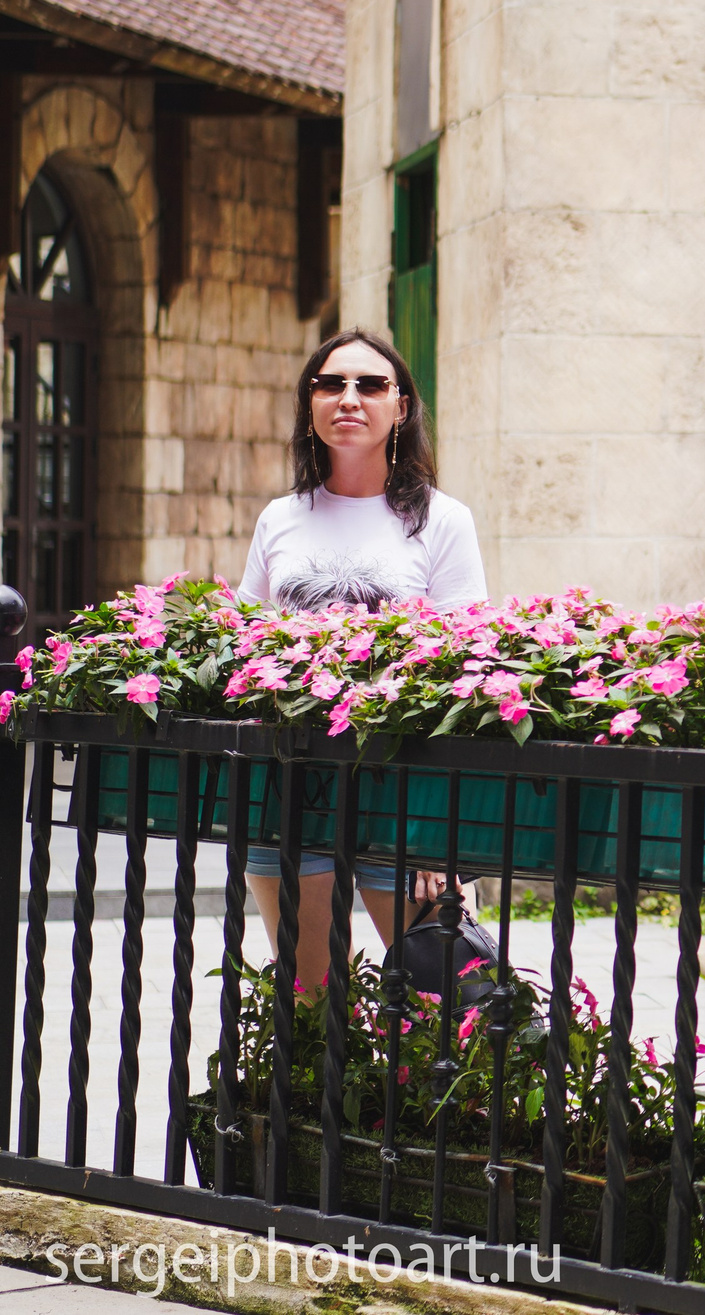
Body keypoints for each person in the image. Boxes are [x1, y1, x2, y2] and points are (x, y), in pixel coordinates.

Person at [237, 328, 486, 988]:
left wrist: (441, 832)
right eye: (330, 383)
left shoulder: (442, 520)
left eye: (371, 385)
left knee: (446, 998)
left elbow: (466, 674)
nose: (349, 398)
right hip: (290, 784)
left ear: (400, 407)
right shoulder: (279, 518)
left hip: (400, 783)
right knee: (310, 996)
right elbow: (244, 645)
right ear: (310, 404)